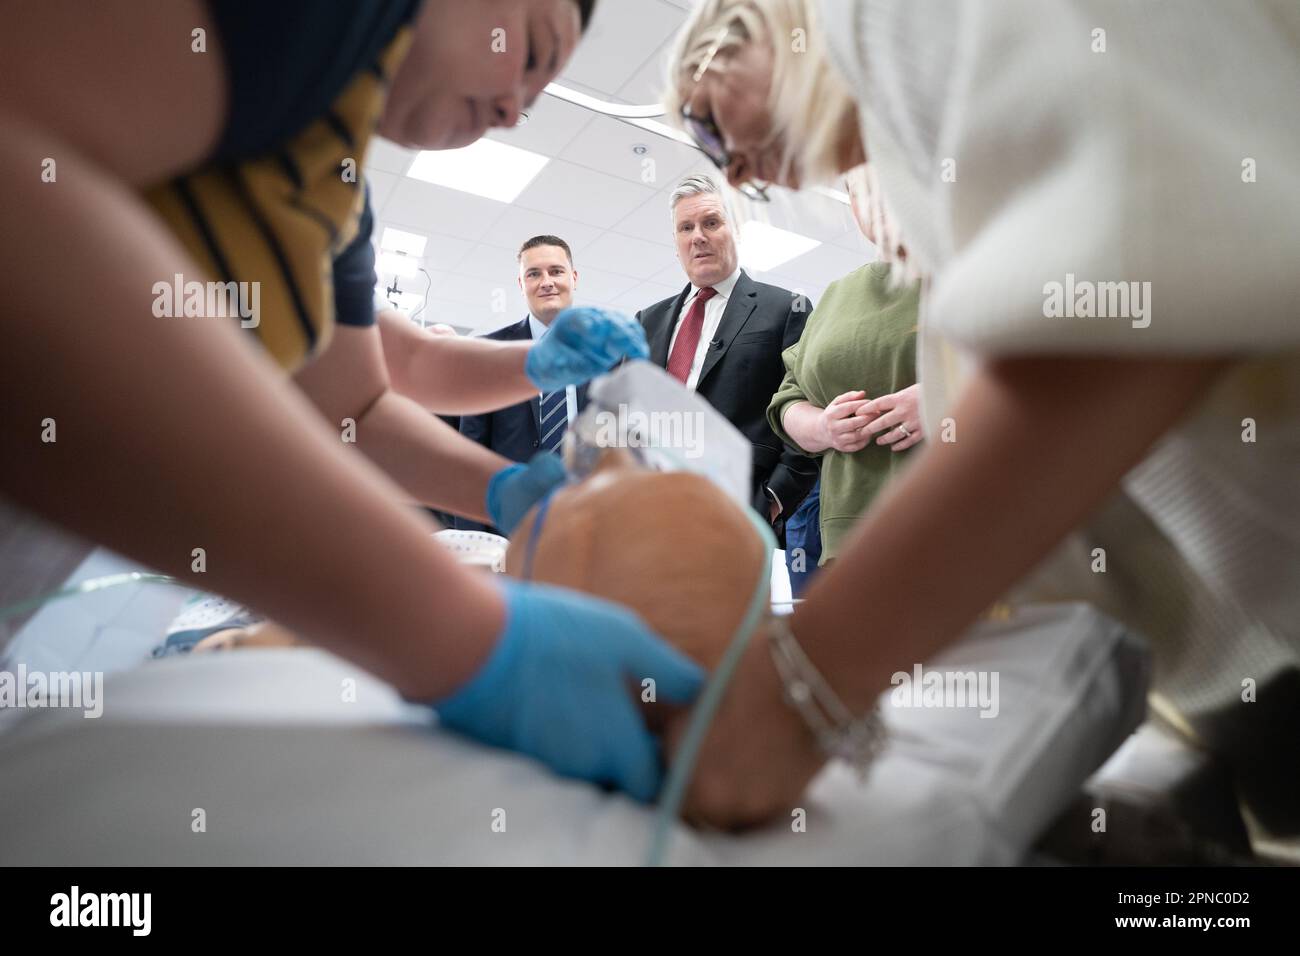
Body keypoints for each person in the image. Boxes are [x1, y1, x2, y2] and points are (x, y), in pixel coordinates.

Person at [1, 0, 703, 803]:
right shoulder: (327, 18)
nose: (515, 107)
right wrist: (461, 634)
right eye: (531, 52)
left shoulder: (330, 183)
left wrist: (503, 484)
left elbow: (364, 400)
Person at [659, 0, 1300, 831]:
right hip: (1228, 644)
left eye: (709, 130)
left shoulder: (880, 15)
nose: (734, 175)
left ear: (753, 25)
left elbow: (1114, 333)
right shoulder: (926, 171)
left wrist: (799, 690)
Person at [637, 174, 818, 542]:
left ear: (736, 231)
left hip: (737, 513)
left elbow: (806, 406)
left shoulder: (785, 309)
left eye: (711, 223)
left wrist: (772, 500)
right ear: (676, 244)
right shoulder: (647, 321)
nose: (698, 236)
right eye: (685, 228)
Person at [767, 165, 923, 573]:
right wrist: (823, 428)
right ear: (853, 205)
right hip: (850, 539)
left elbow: (1043, 372)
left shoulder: (974, 275)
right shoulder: (837, 296)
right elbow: (788, 397)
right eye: (866, 192)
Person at [456, 236, 591, 535]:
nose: (547, 282)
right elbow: (469, 454)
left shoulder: (605, 354)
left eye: (556, 271)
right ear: (521, 283)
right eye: (534, 274)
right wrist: (472, 542)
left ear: (574, 277)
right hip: (507, 529)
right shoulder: (489, 352)